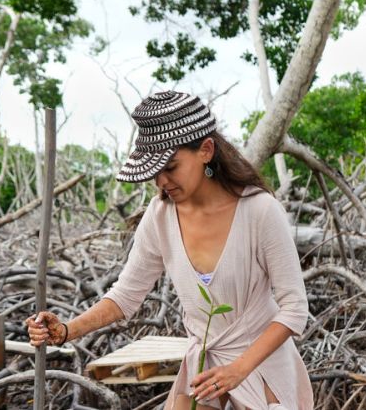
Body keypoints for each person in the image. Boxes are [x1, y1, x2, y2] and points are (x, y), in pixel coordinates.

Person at [26, 90, 314, 410]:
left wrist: (238, 370)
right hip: (205, 365)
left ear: (206, 151)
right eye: (154, 172)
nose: (162, 181)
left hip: (260, 366)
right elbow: (125, 296)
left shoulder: (260, 210)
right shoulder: (160, 216)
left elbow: (294, 308)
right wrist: (66, 330)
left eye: (171, 167)